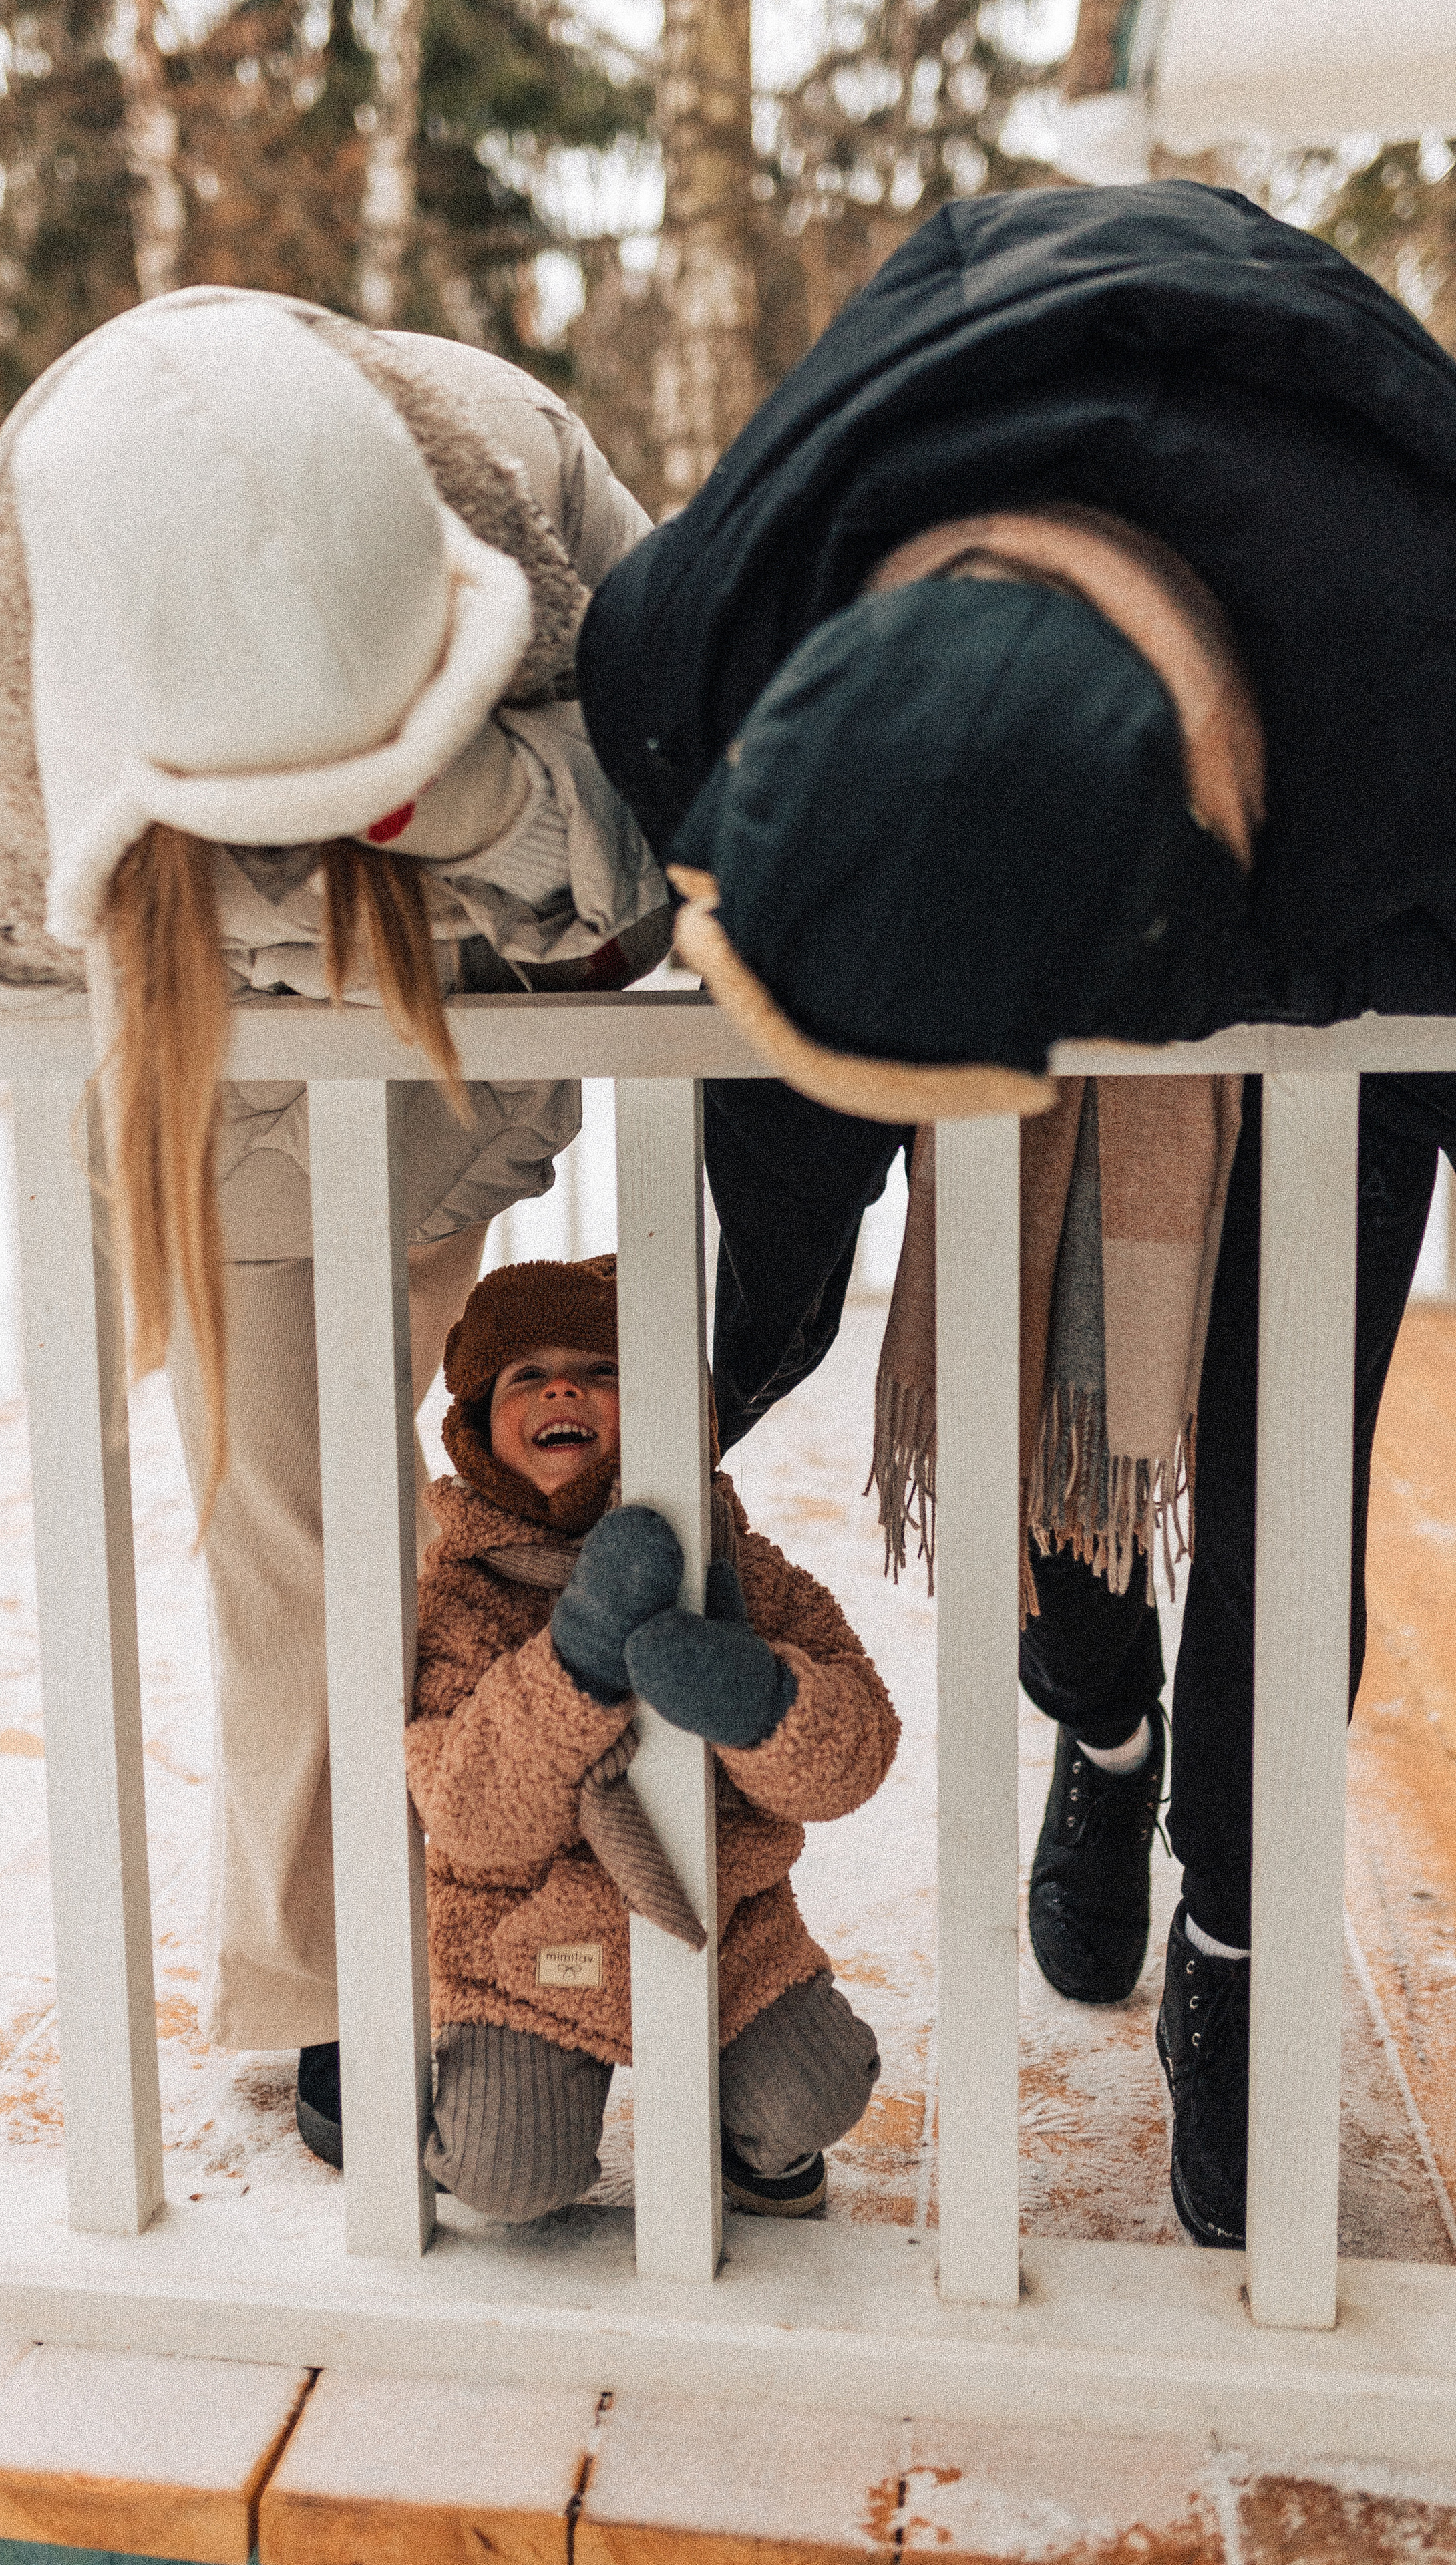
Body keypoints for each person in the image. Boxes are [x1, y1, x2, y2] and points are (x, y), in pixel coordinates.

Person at [576, 180, 1456, 2250]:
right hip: (996, 627)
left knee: (1271, 1463)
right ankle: (1104, 1709)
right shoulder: (703, 638)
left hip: (1357, 877)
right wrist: (711, 1372)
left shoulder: (1428, 690)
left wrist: (1256, 986)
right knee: (1018, 1360)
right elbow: (791, 1095)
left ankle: (1237, 1944)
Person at [0, 286, 669, 2167]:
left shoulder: (533, 486)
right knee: (295, 1540)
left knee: (517, 1516)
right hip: (225, 1105)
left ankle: (534, 1895)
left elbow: (688, 835)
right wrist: (277, 898)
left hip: (476, 1055)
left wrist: (468, 807)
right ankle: (340, 1980)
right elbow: (49, 970)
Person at [409, 1254, 895, 2219]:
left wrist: (758, 1700)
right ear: (475, 1431)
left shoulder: (735, 1563)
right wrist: (578, 1661)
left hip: (726, 1928)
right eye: (527, 1376)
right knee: (511, 2176)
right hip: (526, 1948)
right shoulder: (459, 1592)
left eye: (603, 1371)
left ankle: (744, 2138)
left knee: (817, 2095)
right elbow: (471, 1817)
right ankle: (476, 2106)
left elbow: (860, 1744)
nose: (564, 1388)